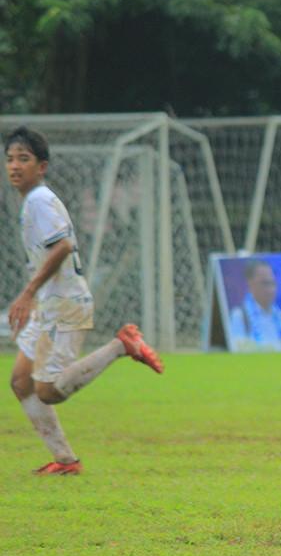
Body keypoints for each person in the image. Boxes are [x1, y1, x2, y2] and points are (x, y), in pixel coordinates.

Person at [6, 126, 163, 475]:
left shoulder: (39, 200)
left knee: (47, 391)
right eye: (10, 159)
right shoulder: (33, 201)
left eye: (24, 159)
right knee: (20, 381)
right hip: (51, 304)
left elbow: (63, 247)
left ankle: (121, 346)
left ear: (41, 166)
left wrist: (28, 293)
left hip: (64, 304)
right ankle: (66, 461)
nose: (14, 166)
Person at [228, 259, 281, 352]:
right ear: (250, 284)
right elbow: (237, 351)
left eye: (272, 284)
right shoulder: (240, 316)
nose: (270, 290)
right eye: (265, 284)